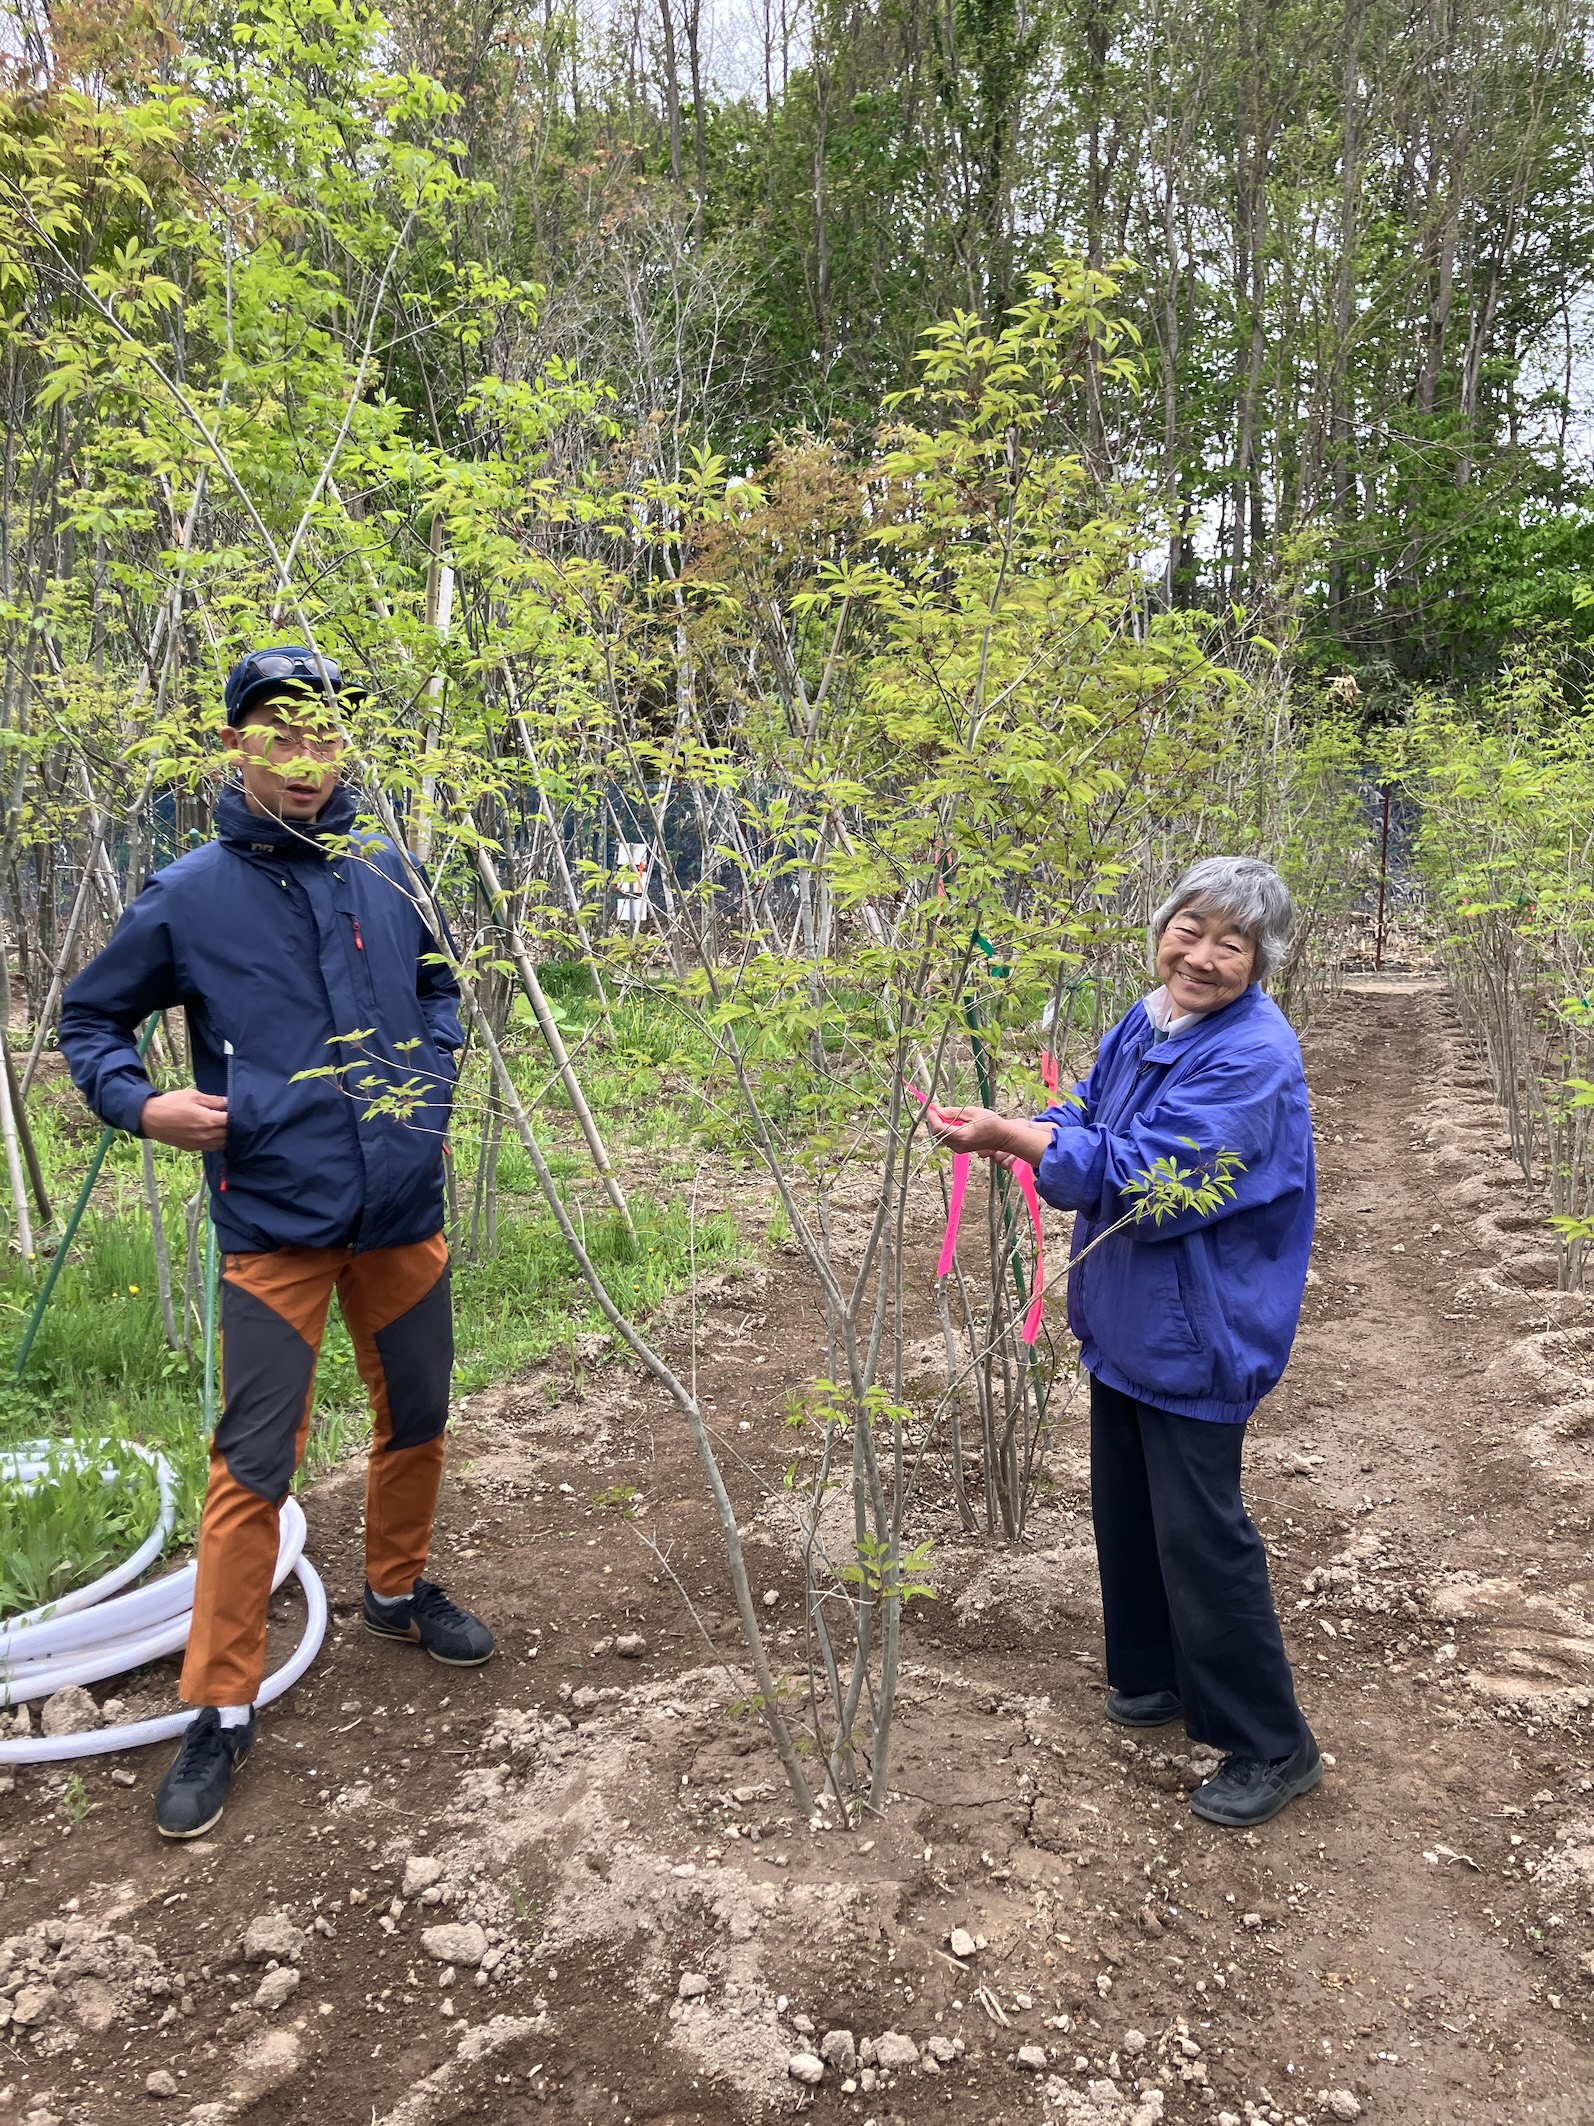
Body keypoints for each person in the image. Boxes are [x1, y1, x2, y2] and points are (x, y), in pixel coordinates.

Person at [59, 644, 493, 1841]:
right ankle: (223, 1702)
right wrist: (139, 1101)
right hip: (274, 1219)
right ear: (237, 744)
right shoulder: (188, 891)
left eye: (322, 734)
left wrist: (435, 1065)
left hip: (401, 1207)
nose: (304, 758)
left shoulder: (386, 867)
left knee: (418, 1409)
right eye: (280, 733)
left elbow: (442, 985)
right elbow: (91, 1014)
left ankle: (396, 1592)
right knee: (254, 1461)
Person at [927, 856, 1319, 1828]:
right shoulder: (1147, 1019)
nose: (1203, 954)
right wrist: (1032, 1122)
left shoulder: (1252, 1054)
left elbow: (1149, 1180)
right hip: (1131, 1318)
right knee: (1129, 1510)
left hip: (1200, 1327)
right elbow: (1092, 1112)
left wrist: (1017, 1139)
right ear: (1162, 927)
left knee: (1200, 1534)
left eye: (1232, 942)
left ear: (1260, 961)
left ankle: (1272, 1743)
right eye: (1190, 928)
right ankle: (1154, 1675)